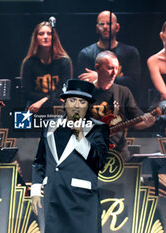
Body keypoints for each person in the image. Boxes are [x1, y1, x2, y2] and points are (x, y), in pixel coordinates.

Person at [31, 79, 109, 233]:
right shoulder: (50, 126)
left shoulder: (97, 128)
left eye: (82, 101)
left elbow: (99, 162)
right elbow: (40, 161)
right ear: (64, 102)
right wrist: (35, 190)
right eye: (72, 100)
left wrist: (80, 137)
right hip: (53, 197)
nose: (76, 105)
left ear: (87, 106)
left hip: (81, 200)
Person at [91, 51, 155, 160]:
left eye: (117, 69)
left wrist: (147, 123)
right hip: (92, 152)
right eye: (110, 68)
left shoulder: (123, 92)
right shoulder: (85, 92)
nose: (114, 73)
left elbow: (134, 122)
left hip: (118, 154)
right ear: (97, 68)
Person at [77, 11, 141, 98]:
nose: (105, 27)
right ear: (97, 28)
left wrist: (99, 76)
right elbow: (85, 83)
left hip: (123, 101)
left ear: (117, 27)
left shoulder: (131, 52)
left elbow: (132, 82)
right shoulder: (86, 53)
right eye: (101, 24)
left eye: (109, 23)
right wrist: (119, 79)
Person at [21, 21, 72, 114]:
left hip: (57, 105)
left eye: (49, 34)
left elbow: (64, 90)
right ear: (36, 38)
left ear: (54, 38)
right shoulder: (29, 63)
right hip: (35, 106)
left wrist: (45, 100)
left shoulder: (64, 62)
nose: (45, 37)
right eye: (41, 34)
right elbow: (27, 93)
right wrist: (45, 99)